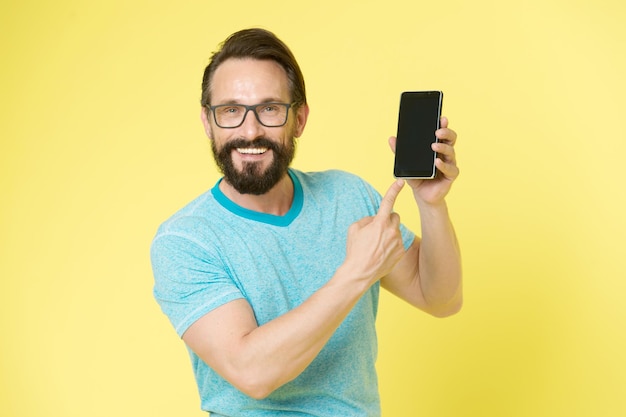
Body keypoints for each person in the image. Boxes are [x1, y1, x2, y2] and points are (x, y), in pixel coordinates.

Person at [151, 28, 462, 416]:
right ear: (207, 121)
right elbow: (254, 372)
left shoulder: (348, 197)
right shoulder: (185, 240)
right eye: (230, 110)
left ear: (299, 119)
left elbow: (442, 299)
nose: (250, 131)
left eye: (269, 109)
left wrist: (431, 205)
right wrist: (355, 274)